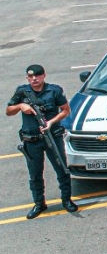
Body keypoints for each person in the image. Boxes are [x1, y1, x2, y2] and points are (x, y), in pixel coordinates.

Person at [6, 64, 78, 219]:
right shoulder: (22, 92)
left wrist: (51, 122)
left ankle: (67, 200)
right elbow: (9, 111)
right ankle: (39, 203)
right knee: (35, 174)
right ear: (27, 78)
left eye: (37, 75)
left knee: (62, 169)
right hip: (32, 140)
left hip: (52, 137)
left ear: (44, 75)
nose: (34, 79)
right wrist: (21, 106)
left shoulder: (54, 90)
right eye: (31, 76)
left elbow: (66, 110)